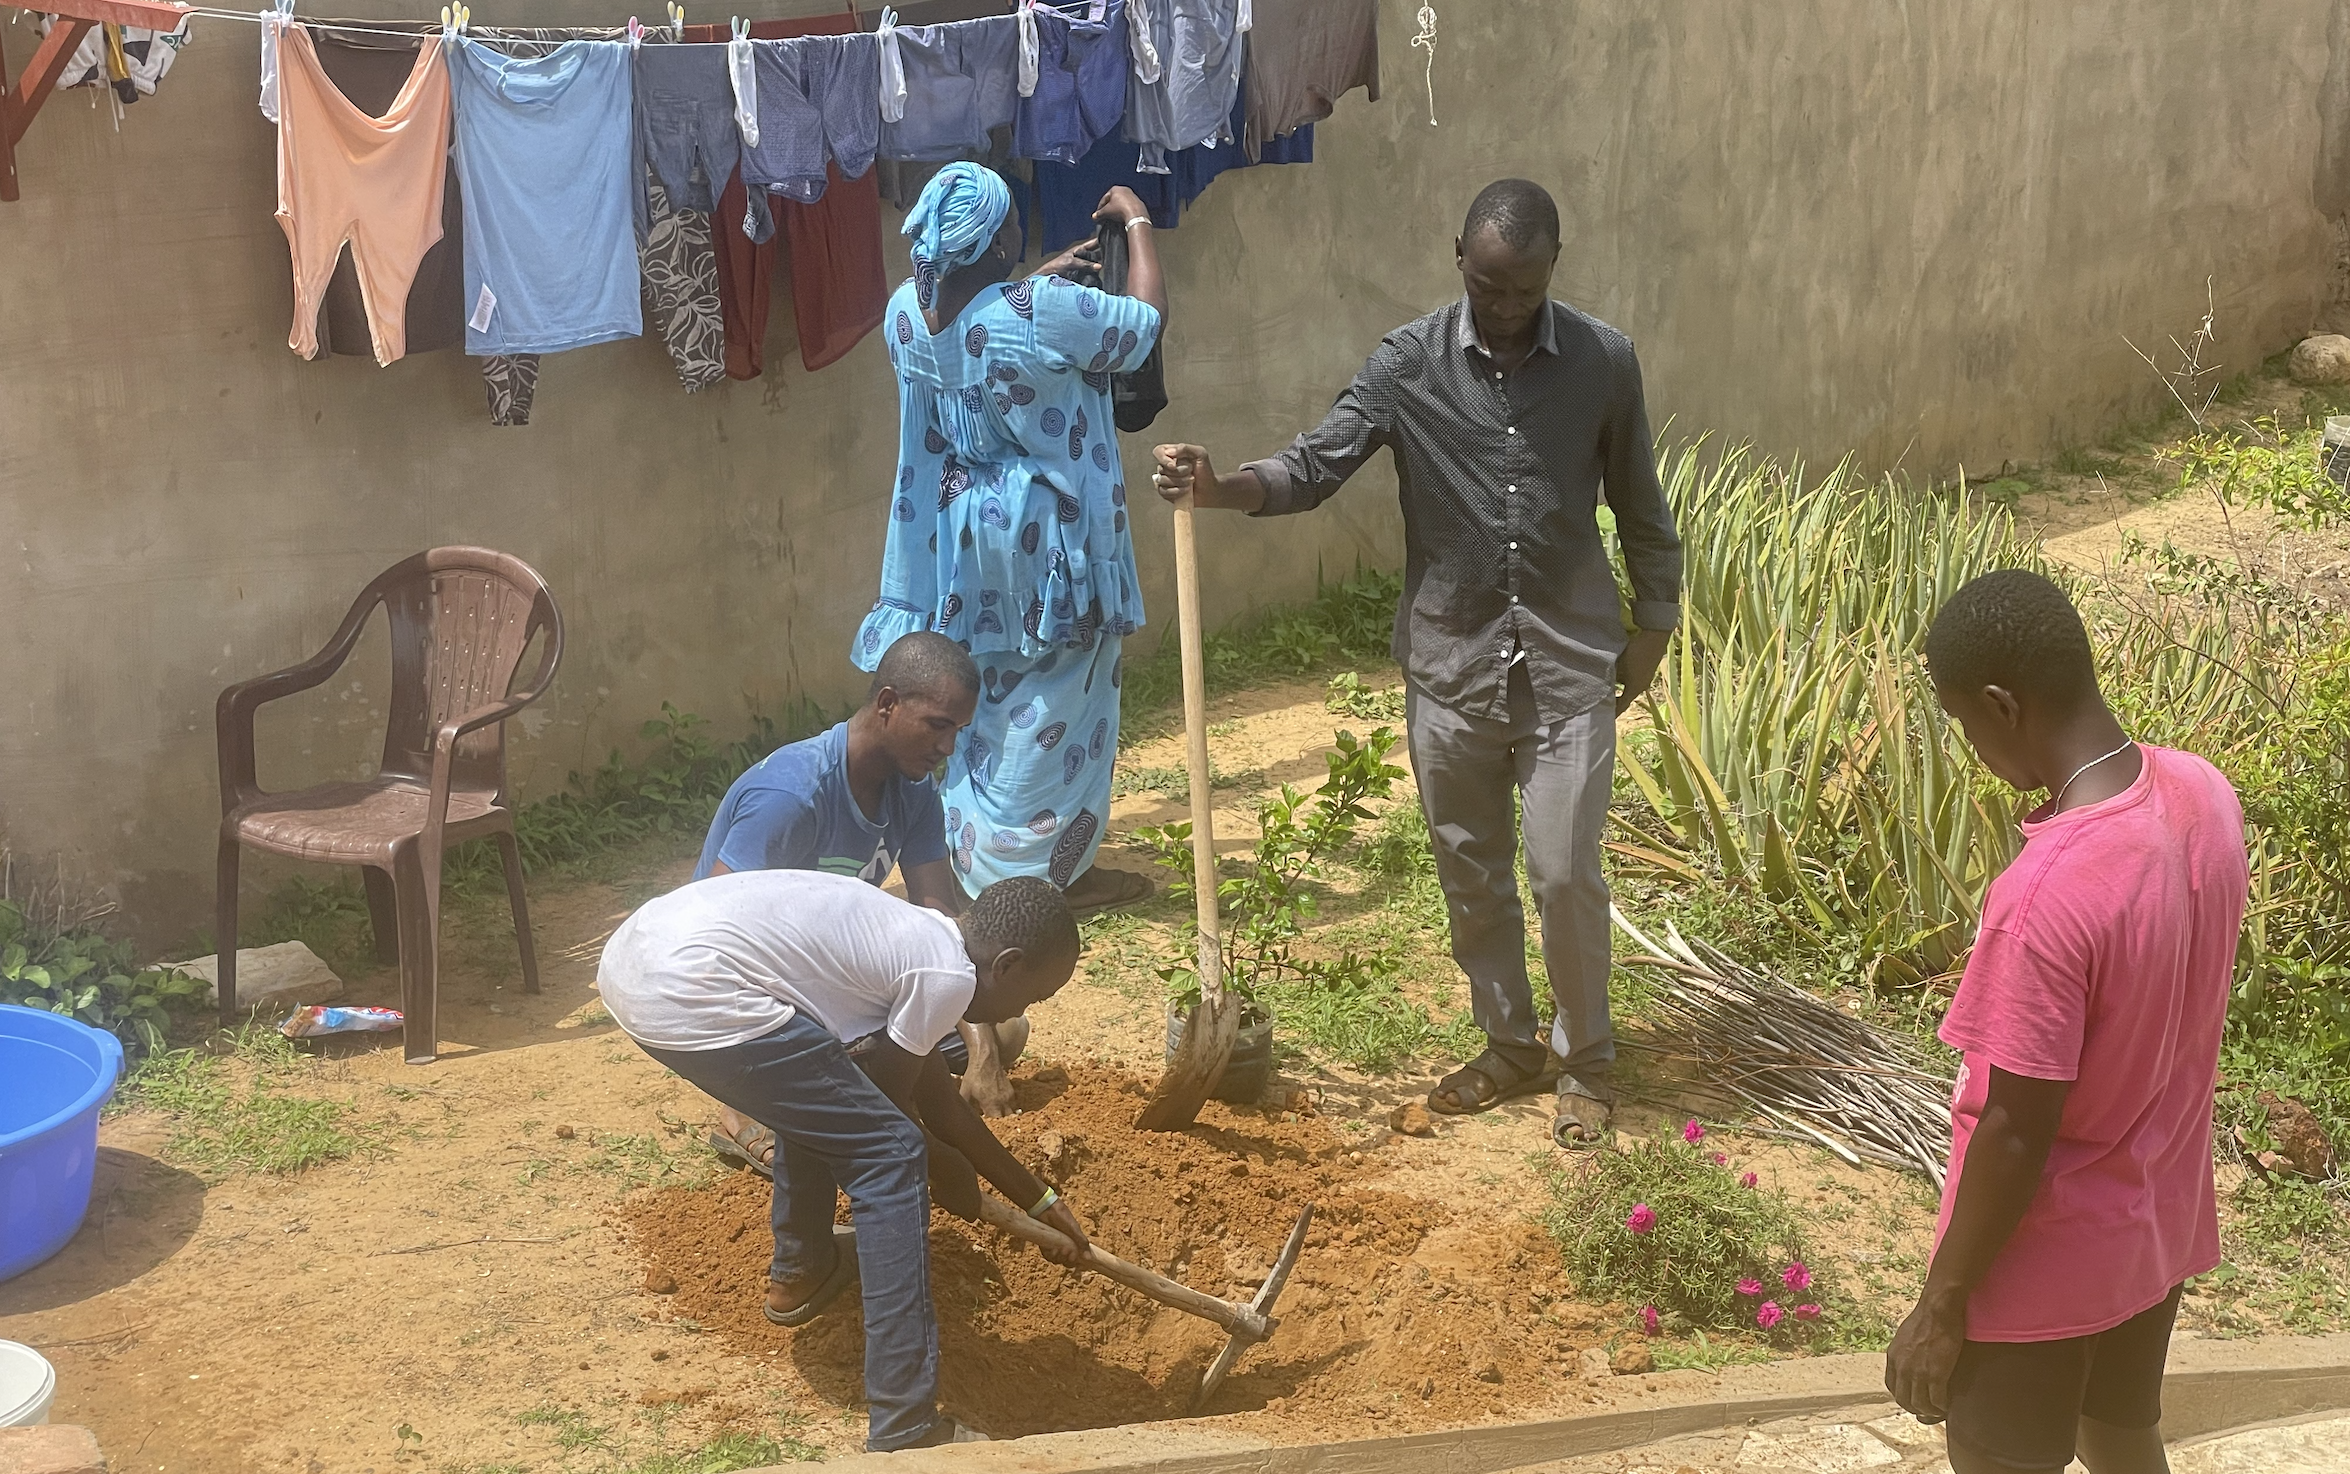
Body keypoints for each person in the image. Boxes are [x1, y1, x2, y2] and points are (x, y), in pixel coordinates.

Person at [1150, 178, 1682, 1147]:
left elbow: (1640, 500)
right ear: (1458, 258)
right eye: (1488, 286)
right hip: (1450, 663)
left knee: (1564, 871)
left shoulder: (1604, 361)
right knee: (1470, 871)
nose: (1506, 308)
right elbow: (1314, 465)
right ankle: (1510, 1045)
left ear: (1553, 268)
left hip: (1567, 662)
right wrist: (1222, 487)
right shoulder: (1407, 364)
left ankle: (1587, 1060)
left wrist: (1653, 622)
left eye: (1525, 289)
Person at [1885, 570, 2247, 1474]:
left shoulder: (2045, 894)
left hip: (2040, 1267)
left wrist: (1942, 1303)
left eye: (1964, 722)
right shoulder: (2203, 793)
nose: (1971, 745)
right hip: (2153, 1230)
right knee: (2123, 1443)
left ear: (2002, 705)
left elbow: (2016, 1127)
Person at [596, 870, 1090, 1451]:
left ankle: (802, 1271)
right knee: (892, 1158)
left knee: (828, 1097)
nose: (1020, 1012)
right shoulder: (946, 977)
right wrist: (943, 1167)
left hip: (640, 960)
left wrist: (1041, 1199)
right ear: (1006, 965)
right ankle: (906, 1427)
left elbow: (939, 1107)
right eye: (1033, 997)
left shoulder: (924, 943)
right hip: (691, 987)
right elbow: (895, 1121)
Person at [852, 161, 1165, 918]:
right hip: (1052, 543)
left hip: (966, 537)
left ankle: (978, 853)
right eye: (1012, 227)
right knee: (1064, 699)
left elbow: (975, 331)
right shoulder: (1044, 312)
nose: (1022, 235)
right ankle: (1046, 877)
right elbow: (1142, 325)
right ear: (994, 245)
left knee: (987, 692)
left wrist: (1026, 282)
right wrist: (1137, 222)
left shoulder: (905, 314)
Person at [694, 633, 1031, 1137]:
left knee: (1003, 1032)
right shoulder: (791, 795)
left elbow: (943, 927)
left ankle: (837, 1077)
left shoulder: (913, 792)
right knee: (849, 1104)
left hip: (836, 982)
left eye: (958, 731)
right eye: (937, 725)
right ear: (888, 704)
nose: (947, 748)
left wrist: (982, 1054)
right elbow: (714, 936)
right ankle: (745, 1106)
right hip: (758, 991)